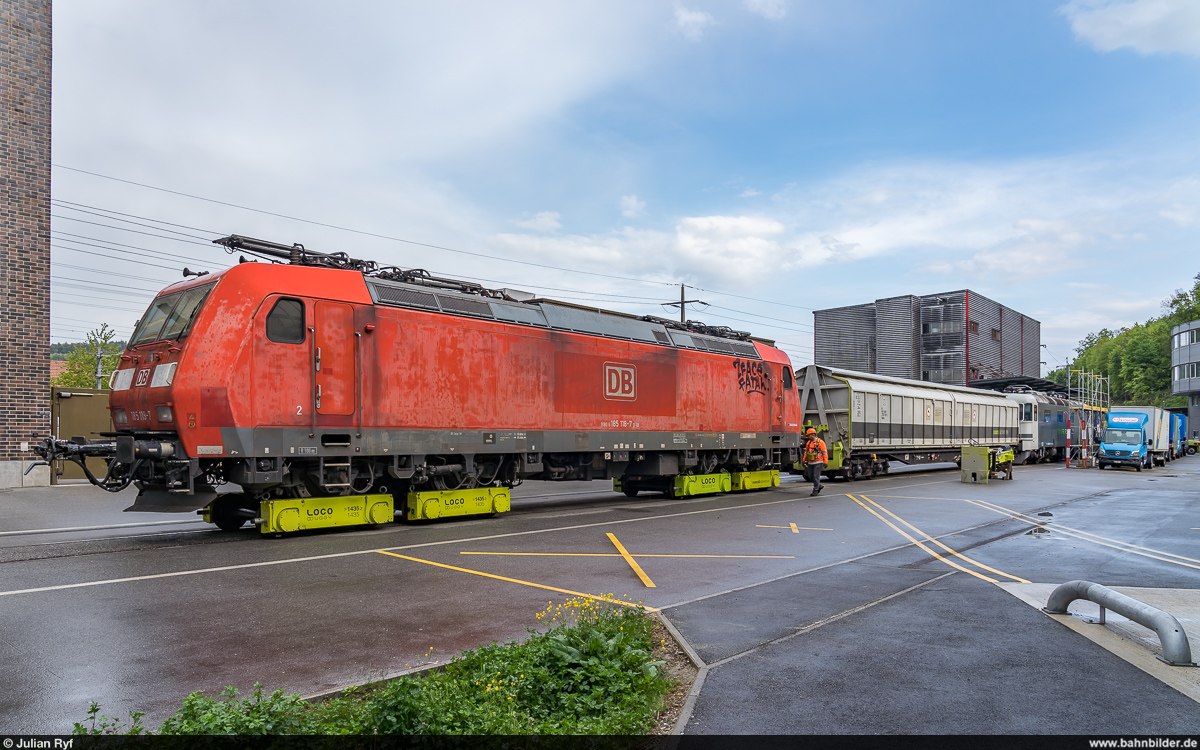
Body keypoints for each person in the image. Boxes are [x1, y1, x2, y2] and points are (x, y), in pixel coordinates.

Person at [803, 427, 827, 497]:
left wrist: (825, 462)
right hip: (810, 462)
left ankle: (815, 490)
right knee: (810, 476)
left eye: (808, 435)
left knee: (816, 476)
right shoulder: (808, 443)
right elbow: (806, 452)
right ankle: (819, 485)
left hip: (818, 462)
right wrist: (804, 460)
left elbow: (825, 453)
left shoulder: (820, 442)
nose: (808, 437)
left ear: (813, 435)